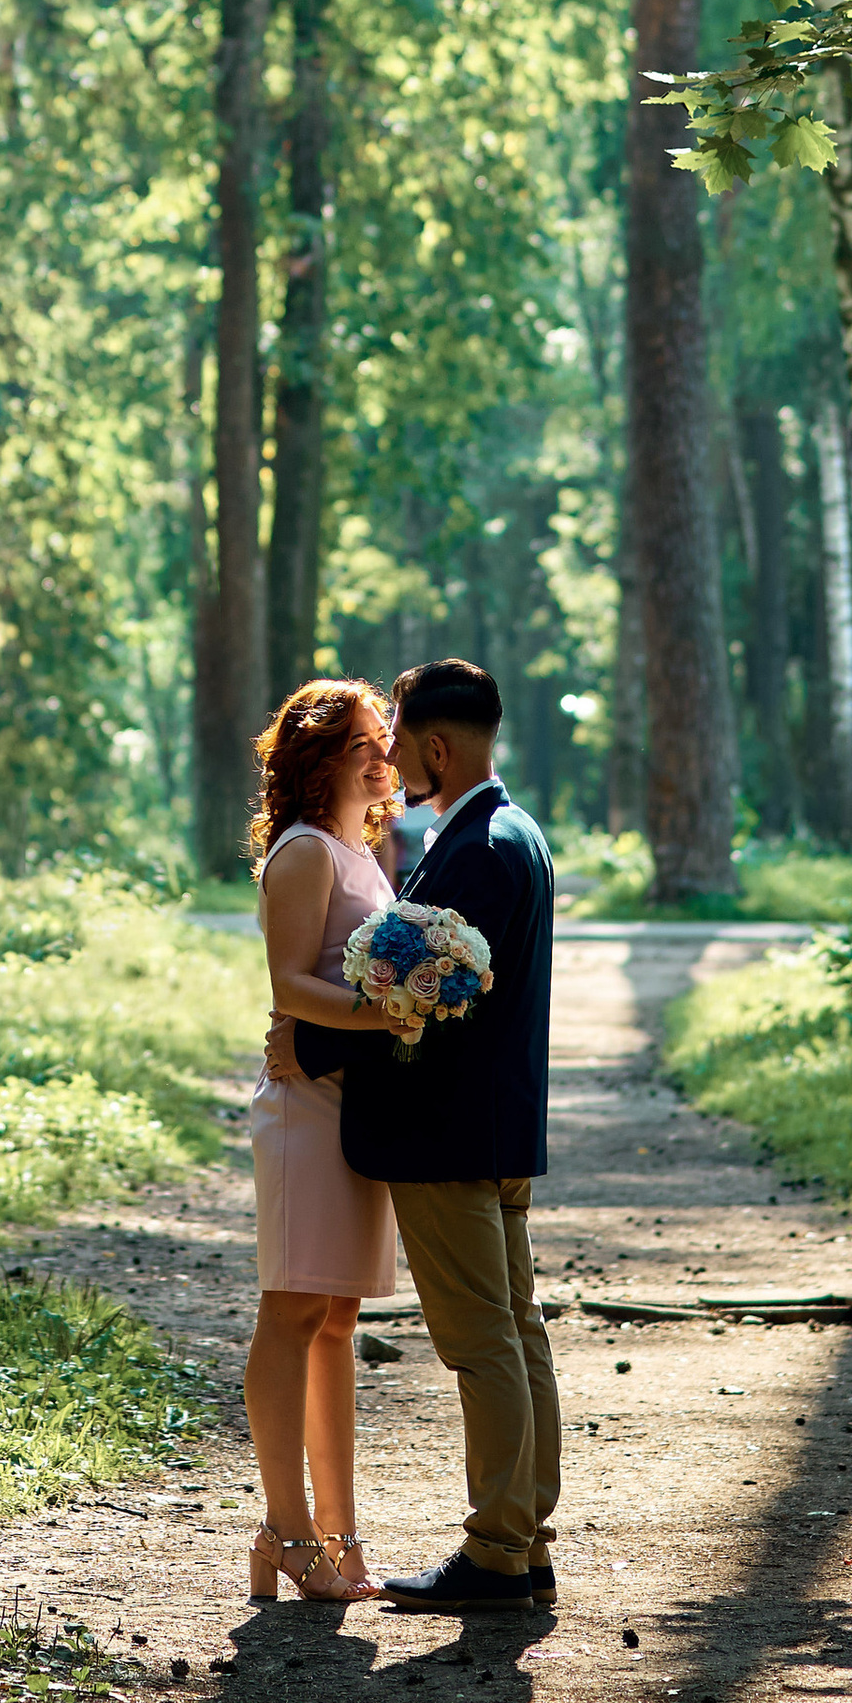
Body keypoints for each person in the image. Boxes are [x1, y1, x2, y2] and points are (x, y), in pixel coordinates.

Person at [267, 654, 560, 1615]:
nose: (391, 763)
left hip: (451, 1135)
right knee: (514, 1333)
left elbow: (431, 1001)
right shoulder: (510, 832)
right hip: (491, 1129)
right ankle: (524, 1536)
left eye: (397, 745)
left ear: (437, 747)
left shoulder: (476, 848)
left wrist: (306, 1032)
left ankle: (499, 1551)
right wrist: (310, 1021)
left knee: (485, 1343)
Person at [240, 678, 402, 1601]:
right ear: (319, 760)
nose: (384, 757)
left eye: (384, 740)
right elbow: (291, 990)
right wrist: (401, 1017)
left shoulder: (361, 852)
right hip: (305, 1108)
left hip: (351, 1102)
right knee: (292, 1311)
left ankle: (341, 1536)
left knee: (337, 1320)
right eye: (364, 745)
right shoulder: (305, 855)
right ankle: (285, 1532)